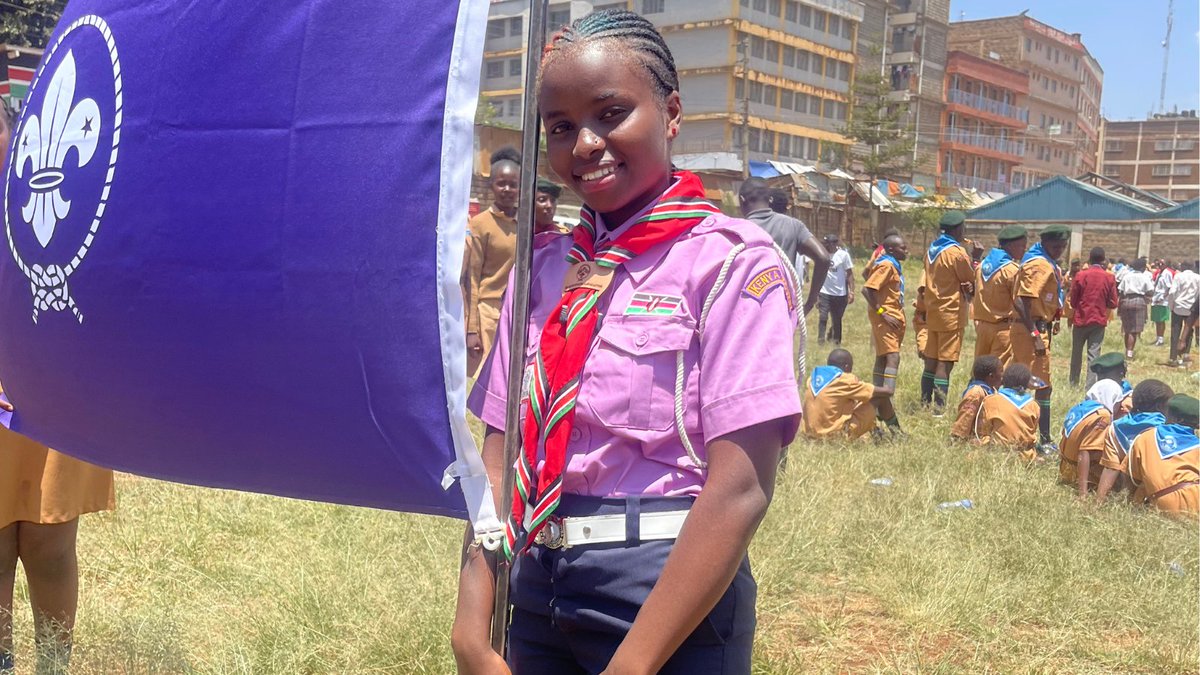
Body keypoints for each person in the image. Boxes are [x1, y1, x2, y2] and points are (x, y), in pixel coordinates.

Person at [452, 11, 802, 673]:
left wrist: (634, 663)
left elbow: (741, 486)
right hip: (536, 584)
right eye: (560, 127)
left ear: (670, 113)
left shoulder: (731, 265)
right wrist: (473, 623)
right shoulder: (541, 270)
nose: (585, 143)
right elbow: (500, 456)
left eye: (611, 113)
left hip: (666, 594)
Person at [464, 146, 522, 376]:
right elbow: (471, 278)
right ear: (491, 185)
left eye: (513, 184)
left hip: (517, 313)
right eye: (501, 183)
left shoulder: (526, 224)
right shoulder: (480, 224)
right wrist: (471, 329)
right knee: (486, 379)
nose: (507, 189)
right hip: (488, 314)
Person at [1012, 225, 1069, 452]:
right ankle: (1042, 439)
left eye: (1063, 246)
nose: (1059, 250)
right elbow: (1022, 301)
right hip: (1032, 330)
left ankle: (1023, 432)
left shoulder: (1043, 261)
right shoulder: (1040, 265)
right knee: (1040, 385)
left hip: (1035, 327)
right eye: (1055, 246)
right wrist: (1035, 335)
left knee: (1031, 382)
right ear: (1044, 243)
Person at [739, 177, 830, 314]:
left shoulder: (735, 230)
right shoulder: (793, 226)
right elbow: (824, 258)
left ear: (741, 200)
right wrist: (810, 301)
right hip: (783, 309)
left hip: (747, 311)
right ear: (770, 199)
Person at [920, 210, 975, 416]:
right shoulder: (956, 253)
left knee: (931, 360)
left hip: (934, 311)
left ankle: (925, 403)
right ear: (958, 229)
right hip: (951, 313)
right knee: (945, 362)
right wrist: (975, 257)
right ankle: (938, 410)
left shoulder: (932, 250)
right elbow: (969, 278)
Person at [1059, 352, 1126, 497]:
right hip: (1078, 473)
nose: (1120, 407)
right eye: (1118, 403)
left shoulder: (1082, 408)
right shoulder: (1103, 416)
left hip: (1066, 468)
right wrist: (1082, 493)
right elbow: (1084, 452)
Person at [1095, 379, 1173, 504]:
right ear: (1160, 406)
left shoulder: (1115, 428)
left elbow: (1111, 467)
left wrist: (1099, 500)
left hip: (1127, 484)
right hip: (1158, 491)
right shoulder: (1164, 428)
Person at [1122, 394, 1199, 517]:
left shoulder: (1145, 437)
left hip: (1164, 501)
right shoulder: (1197, 445)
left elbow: (1131, 479)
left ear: (1178, 419)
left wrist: (1127, 506)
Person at [861, 232, 907, 434]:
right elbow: (867, 289)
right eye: (902, 248)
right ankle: (887, 395)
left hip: (893, 317)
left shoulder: (892, 265)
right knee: (893, 357)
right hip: (886, 318)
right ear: (890, 249)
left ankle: (878, 397)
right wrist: (882, 313)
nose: (906, 251)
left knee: (882, 357)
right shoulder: (887, 265)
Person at [801, 349, 895, 440]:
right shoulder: (844, 379)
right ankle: (897, 432)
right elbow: (888, 392)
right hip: (835, 436)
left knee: (855, 403)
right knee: (880, 397)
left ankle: (875, 431)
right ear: (847, 366)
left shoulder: (813, 378)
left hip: (810, 435)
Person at [973, 226, 1028, 368]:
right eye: (1022, 245)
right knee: (998, 370)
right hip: (1002, 328)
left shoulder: (982, 266)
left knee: (980, 369)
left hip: (982, 327)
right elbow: (1018, 302)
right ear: (1010, 246)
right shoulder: (1011, 270)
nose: (1025, 249)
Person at [1067, 247, 1118, 388]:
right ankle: (1090, 386)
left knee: (1076, 353)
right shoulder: (1109, 277)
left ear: (1089, 259)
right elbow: (1113, 302)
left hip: (1081, 319)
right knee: (1094, 354)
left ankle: (1073, 382)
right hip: (1098, 320)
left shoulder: (1080, 275)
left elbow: (1073, 301)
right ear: (1103, 260)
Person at [973, 362, 1040, 462]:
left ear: (1003, 380)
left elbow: (982, 431)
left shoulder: (991, 400)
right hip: (1025, 456)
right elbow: (1033, 431)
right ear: (1026, 384)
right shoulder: (1033, 405)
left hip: (997, 455)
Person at [951, 355, 1002, 441]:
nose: (1003, 375)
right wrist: (957, 439)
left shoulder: (991, 391)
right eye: (1001, 371)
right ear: (991, 376)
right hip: (976, 441)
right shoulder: (975, 393)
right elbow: (965, 418)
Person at [817, 234, 854, 346]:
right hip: (825, 291)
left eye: (829, 243)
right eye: (826, 243)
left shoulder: (843, 255)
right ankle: (821, 340)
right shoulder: (822, 254)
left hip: (840, 293)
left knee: (837, 319)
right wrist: (816, 293)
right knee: (823, 316)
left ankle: (836, 341)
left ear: (835, 244)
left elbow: (849, 273)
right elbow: (818, 273)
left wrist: (851, 291)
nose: (828, 246)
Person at [1117, 258, 1153, 359]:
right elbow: (1151, 291)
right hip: (1139, 301)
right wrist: (1146, 296)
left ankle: (1127, 350)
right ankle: (1130, 353)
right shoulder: (1144, 277)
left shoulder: (1127, 276)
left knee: (1127, 329)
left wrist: (1119, 307)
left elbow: (1121, 291)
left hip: (1126, 301)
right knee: (1134, 330)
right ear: (1142, 268)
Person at [1168, 261, 1200, 367]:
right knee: (1189, 331)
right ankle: (1185, 355)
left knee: (1175, 331)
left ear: (1183, 267)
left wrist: (1171, 306)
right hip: (1191, 308)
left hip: (1178, 307)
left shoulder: (1179, 276)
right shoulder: (1198, 278)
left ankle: (1173, 357)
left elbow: (1172, 292)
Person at [1151, 259, 1174, 346]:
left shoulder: (1167, 273)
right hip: (1156, 298)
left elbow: (1169, 287)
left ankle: (1161, 339)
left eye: (1162, 263)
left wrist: (1162, 297)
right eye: (1159, 263)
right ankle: (1158, 338)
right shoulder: (1159, 273)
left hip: (1162, 300)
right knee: (1157, 320)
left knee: (1161, 320)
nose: (1160, 265)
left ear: (1166, 264)